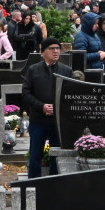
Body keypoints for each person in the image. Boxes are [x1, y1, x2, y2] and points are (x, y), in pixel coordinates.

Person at [22, 38, 73, 178]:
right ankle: (32, 185)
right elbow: (26, 93)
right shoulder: (33, 70)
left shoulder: (66, 71)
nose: (56, 51)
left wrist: (59, 108)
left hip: (58, 123)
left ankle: (54, 186)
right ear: (43, 51)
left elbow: (71, 94)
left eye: (58, 48)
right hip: (38, 120)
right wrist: (42, 107)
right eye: (51, 48)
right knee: (35, 156)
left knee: (56, 158)